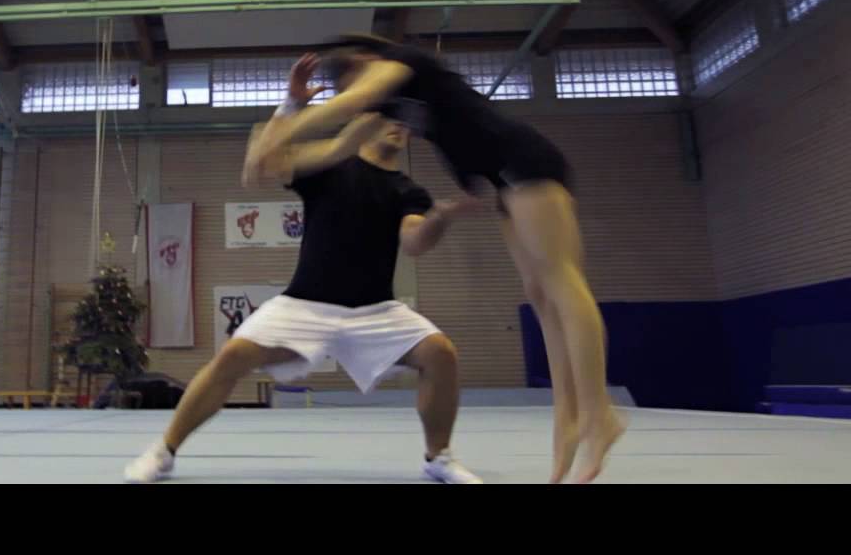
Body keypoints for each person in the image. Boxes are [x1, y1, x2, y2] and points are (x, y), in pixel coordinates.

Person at [245, 38, 625, 484]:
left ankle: (599, 413)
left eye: (351, 81)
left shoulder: (399, 65)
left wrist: (287, 127)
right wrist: (284, 115)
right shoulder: (389, 106)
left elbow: (347, 104)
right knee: (541, 299)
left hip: (526, 160)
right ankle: (567, 420)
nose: (359, 93)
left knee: (563, 284)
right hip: (503, 179)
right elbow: (329, 150)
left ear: (364, 61)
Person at [124, 64, 483, 484]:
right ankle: (164, 451)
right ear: (362, 119)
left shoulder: (409, 190)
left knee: (440, 354)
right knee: (232, 357)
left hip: (375, 311)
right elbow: (266, 162)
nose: (397, 126)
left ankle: (438, 457)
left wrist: (440, 218)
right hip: (305, 305)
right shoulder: (329, 166)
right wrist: (292, 105)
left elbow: (415, 242)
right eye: (387, 116)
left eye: (403, 122)